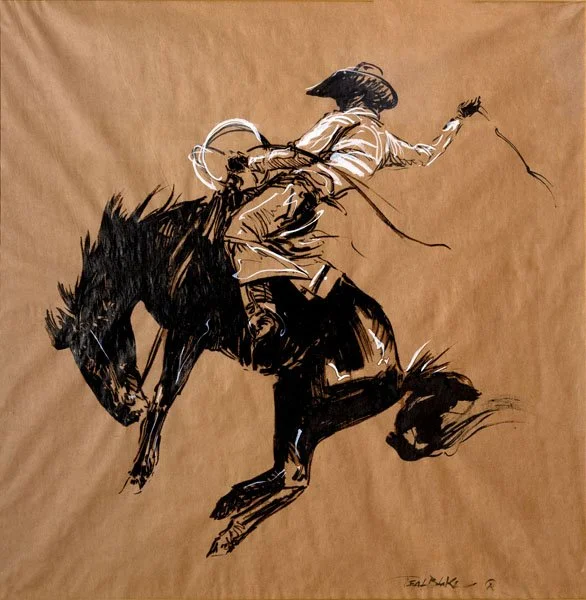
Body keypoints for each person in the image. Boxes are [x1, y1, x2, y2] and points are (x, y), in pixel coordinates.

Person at [218, 62, 481, 343]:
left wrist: (251, 161)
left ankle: (262, 312)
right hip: (338, 201)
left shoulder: (341, 120)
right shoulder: (385, 139)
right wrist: (457, 120)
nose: (339, 99)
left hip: (304, 188)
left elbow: (298, 155)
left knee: (240, 230)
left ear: (358, 95)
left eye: (343, 93)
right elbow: (425, 155)